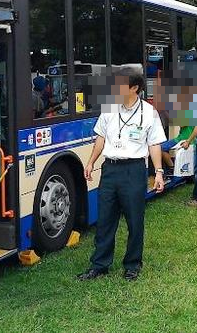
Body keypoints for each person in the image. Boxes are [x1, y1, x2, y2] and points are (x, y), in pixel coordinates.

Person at [77, 67, 166, 282]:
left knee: (135, 219)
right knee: (105, 219)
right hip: (110, 169)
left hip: (134, 170)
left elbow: (154, 144)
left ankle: (132, 264)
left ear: (134, 88)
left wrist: (159, 172)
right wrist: (90, 163)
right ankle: (100, 264)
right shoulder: (109, 108)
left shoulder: (148, 113)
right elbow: (101, 138)